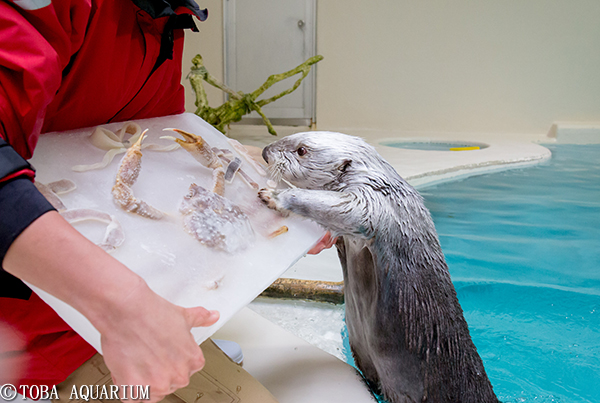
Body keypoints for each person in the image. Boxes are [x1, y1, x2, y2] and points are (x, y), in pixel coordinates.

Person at [0, 0, 219, 400]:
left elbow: (160, 143)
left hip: (87, 330)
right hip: (18, 349)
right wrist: (119, 303)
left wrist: (259, 208)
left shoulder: (163, 21)